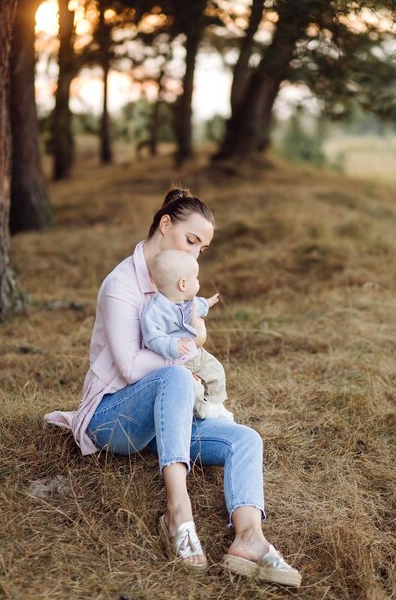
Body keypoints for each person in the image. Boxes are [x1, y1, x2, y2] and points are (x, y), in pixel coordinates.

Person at [44, 187, 302, 587]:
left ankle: (249, 538)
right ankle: (178, 511)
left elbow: (183, 344)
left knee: (245, 439)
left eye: (203, 248)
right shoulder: (122, 285)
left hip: (166, 412)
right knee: (177, 375)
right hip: (113, 417)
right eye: (191, 240)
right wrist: (184, 363)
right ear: (165, 225)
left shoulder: (177, 282)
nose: (196, 253)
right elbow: (130, 367)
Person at [141, 249, 233, 421]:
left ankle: (216, 404)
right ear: (183, 284)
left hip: (198, 352)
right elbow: (153, 337)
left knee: (215, 370)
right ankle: (202, 410)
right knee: (193, 387)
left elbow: (197, 304)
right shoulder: (155, 312)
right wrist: (172, 345)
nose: (198, 282)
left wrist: (207, 302)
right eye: (196, 279)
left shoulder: (187, 300)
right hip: (179, 359)